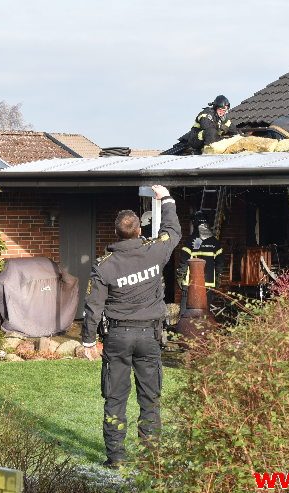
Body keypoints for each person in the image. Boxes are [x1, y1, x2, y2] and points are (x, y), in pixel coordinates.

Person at [81, 185, 181, 468]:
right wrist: (167, 199)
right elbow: (173, 233)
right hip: (150, 336)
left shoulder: (104, 266)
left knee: (115, 398)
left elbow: (93, 307)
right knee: (150, 398)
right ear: (139, 230)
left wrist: (88, 341)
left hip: (117, 338)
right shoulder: (154, 252)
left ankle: (116, 458)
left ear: (116, 233)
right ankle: (150, 458)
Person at [176, 211, 224, 313]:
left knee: (186, 312)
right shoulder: (215, 242)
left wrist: (180, 275)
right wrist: (218, 277)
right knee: (205, 312)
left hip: (190, 283)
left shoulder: (190, 241)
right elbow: (220, 263)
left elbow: (184, 260)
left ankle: (184, 329)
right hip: (208, 283)